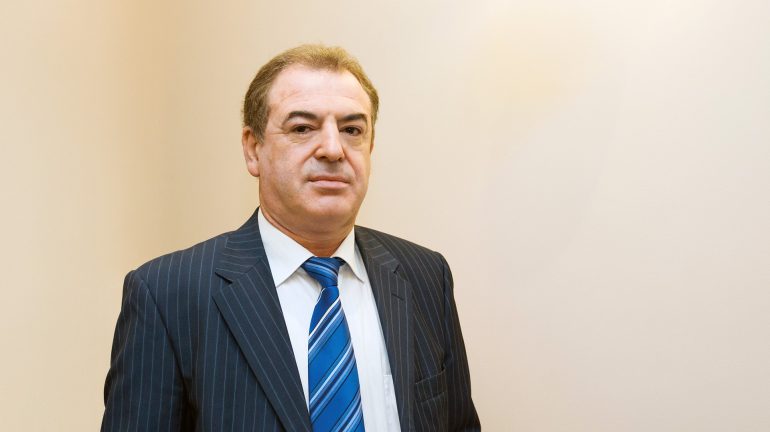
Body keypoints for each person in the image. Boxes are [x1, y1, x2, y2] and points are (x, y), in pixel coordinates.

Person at [102, 44, 480, 432]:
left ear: (370, 147)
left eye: (352, 130)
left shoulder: (425, 276)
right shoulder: (167, 295)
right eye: (302, 128)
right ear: (253, 149)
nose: (333, 149)